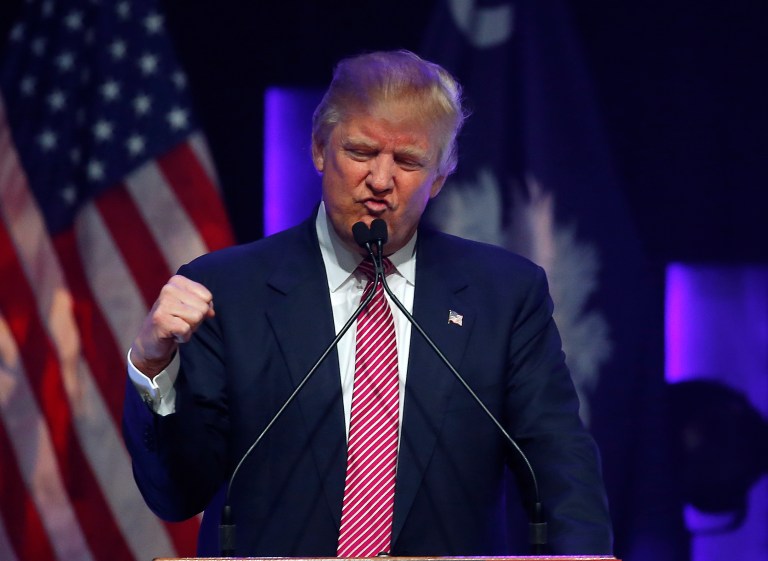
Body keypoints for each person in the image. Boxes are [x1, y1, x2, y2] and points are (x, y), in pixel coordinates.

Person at [122, 50, 613, 557]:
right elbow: (176, 494)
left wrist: (585, 553)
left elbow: (557, 460)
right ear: (318, 149)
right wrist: (152, 366)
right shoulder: (225, 290)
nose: (380, 181)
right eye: (361, 152)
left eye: (408, 161)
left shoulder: (505, 296)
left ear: (439, 178)